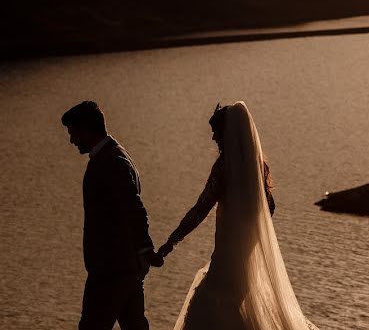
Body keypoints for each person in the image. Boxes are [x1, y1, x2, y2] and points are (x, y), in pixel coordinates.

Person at [157, 101, 318, 330]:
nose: (213, 139)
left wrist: (171, 241)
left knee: (206, 307)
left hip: (226, 259)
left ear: (226, 133)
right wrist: (249, 239)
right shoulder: (258, 168)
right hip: (245, 261)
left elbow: (201, 208)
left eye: (215, 133)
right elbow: (268, 208)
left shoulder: (224, 167)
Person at [63, 100, 164, 330]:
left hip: (110, 272)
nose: (71, 140)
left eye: (73, 133)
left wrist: (146, 249)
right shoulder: (118, 155)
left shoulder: (111, 162)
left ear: (87, 129)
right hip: (127, 269)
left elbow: (133, 206)